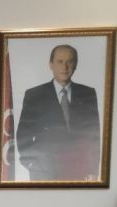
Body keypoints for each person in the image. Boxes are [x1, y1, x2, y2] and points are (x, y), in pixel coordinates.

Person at [16, 44, 101, 181]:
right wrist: (30, 163)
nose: (65, 67)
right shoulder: (34, 95)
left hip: (79, 171)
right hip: (44, 171)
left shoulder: (88, 94)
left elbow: (94, 135)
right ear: (51, 65)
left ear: (75, 65)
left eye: (69, 62)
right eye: (60, 61)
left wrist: (92, 170)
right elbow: (23, 134)